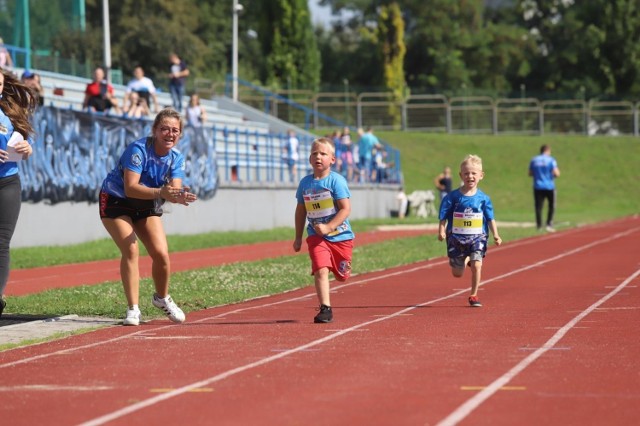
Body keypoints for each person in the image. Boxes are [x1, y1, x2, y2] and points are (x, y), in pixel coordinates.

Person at [99, 108, 198, 326]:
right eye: (164, 129)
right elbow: (131, 188)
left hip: (146, 204)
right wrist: (162, 193)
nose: (170, 134)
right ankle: (133, 309)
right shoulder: (138, 149)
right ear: (154, 130)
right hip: (117, 200)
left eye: (175, 130)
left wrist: (178, 196)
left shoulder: (177, 158)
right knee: (131, 249)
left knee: (161, 254)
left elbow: (173, 189)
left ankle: (162, 298)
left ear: (180, 134)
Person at [293, 137, 354, 323]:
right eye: (314, 153)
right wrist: (297, 238)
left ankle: (342, 268)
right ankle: (325, 309)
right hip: (316, 236)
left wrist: (329, 226)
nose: (318, 157)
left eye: (323, 153)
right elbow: (300, 210)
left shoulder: (337, 181)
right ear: (309, 159)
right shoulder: (305, 184)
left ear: (332, 160)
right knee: (321, 270)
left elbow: (345, 208)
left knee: (342, 276)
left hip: (340, 236)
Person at [438, 154, 502, 308]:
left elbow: (490, 218)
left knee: (477, 265)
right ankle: (463, 260)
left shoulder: (484, 199)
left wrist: (496, 235)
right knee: (457, 273)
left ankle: (473, 295)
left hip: (477, 237)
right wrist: (441, 230)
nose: (470, 176)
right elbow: (443, 216)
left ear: (481, 175)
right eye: (466, 173)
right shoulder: (452, 197)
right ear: (461, 175)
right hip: (456, 238)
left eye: (474, 173)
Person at [0, 69, 37, 316]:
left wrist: (26, 147)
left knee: (1, 242)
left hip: (8, 182)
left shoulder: (8, 112)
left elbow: (26, 142)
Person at [529, 144, 560, 232]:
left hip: (538, 186)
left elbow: (530, 173)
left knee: (538, 207)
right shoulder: (551, 160)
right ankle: (549, 224)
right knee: (551, 206)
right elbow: (557, 173)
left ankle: (539, 226)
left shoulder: (534, 160)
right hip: (549, 186)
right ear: (547, 150)